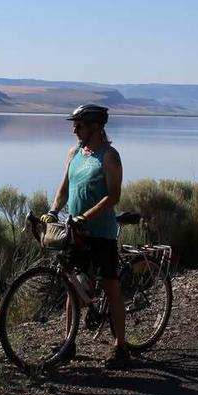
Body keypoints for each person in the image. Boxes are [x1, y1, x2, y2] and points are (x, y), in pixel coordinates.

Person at [47, 103, 130, 368]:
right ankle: (68, 343)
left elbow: (113, 196)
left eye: (79, 125)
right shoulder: (74, 153)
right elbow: (64, 188)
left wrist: (87, 215)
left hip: (101, 232)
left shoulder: (109, 156)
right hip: (75, 231)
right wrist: (52, 211)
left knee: (110, 286)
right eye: (75, 124)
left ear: (95, 127)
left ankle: (121, 348)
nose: (75, 129)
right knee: (73, 286)